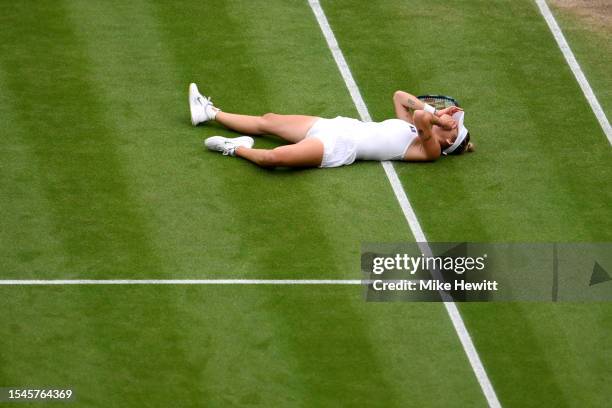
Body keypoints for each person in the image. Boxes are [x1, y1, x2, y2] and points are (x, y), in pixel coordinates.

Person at [188, 83, 473, 168]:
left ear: (448, 142)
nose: (448, 121)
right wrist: (439, 114)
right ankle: (209, 112)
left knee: (274, 158)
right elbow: (400, 97)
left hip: (338, 147)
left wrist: (434, 116)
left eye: (452, 127)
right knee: (269, 121)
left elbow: (423, 117)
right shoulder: (409, 128)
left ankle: (235, 149)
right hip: (337, 125)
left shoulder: (430, 149)